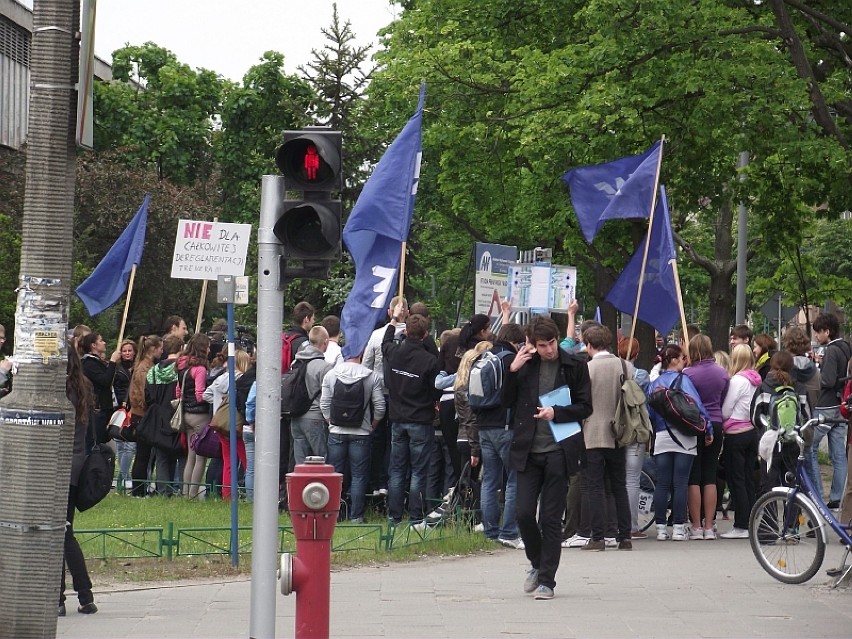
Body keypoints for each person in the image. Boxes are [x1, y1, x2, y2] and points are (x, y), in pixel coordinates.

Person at [502, 316, 592, 600]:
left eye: (552, 343)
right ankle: (536, 562)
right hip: (527, 450)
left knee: (551, 519)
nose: (549, 349)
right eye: (542, 345)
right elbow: (504, 402)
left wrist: (557, 413)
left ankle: (547, 581)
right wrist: (512, 370)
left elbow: (585, 406)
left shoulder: (574, 365)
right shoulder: (526, 365)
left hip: (559, 450)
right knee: (524, 514)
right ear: (533, 345)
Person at [468, 322, 526, 548]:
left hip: (483, 425)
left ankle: (490, 531)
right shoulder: (510, 359)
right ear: (516, 341)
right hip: (505, 425)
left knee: (490, 480)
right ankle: (509, 532)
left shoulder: (484, 356)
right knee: (514, 480)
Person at [382, 304, 441, 525]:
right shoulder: (429, 360)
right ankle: (416, 518)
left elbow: (385, 342)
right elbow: (436, 388)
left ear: (405, 332)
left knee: (396, 470)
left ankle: (394, 517)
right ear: (426, 335)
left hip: (398, 418)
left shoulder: (394, 352)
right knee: (418, 472)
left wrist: (395, 319)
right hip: (420, 419)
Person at [646, 344, 711, 541]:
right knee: (681, 483)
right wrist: (707, 428)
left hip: (662, 436)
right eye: (683, 357)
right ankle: (679, 528)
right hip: (685, 437)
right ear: (673, 360)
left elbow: (649, 412)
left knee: (662, 483)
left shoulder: (654, 384)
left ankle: (660, 528)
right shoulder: (684, 381)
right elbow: (697, 407)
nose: (686, 361)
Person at [581, 325, 634, 551]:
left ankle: (598, 537)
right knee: (619, 485)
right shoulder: (625, 366)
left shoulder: (587, 369)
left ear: (589, 345)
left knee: (594, 486)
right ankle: (625, 536)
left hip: (593, 432)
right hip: (619, 432)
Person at [320, 353, 386, 523]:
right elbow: (380, 407)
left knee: (335, 475)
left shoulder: (331, 374)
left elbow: (324, 404)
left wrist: (331, 422)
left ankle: (333, 514)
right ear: (362, 355)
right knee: (359, 476)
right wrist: (372, 426)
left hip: (336, 431)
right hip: (361, 432)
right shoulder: (372, 376)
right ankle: (356, 516)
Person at [59, 345, 98, 616]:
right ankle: (84, 596)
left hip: (57, 469)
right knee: (64, 531)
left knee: (59, 534)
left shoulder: (60, 389)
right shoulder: (82, 385)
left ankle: (58, 599)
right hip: (76, 467)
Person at [683, 334, 727, 540]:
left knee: (694, 475)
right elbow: (723, 397)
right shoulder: (722, 373)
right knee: (710, 474)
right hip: (717, 423)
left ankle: (696, 525)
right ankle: (710, 526)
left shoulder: (688, 374)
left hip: (694, 425)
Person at [363, 295, 408, 496]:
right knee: (395, 440)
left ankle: (377, 482)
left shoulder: (376, 335)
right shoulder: (413, 336)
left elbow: (367, 366)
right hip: (400, 396)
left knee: (378, 439)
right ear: (406, 312)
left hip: (378, 393)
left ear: (390, 313)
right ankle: (389, 483)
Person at [806, 313, 851, 508]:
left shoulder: (832, 350)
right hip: (840, 405)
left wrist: (816, 372)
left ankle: (816, 492)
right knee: (838, 454)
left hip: (825, 405)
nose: (816, 336)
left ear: (827, 331)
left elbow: (828, 380)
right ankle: (837, 497)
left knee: (810, 447)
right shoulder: (846, 347)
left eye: (818, 332)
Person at [719, 344, 761, 538]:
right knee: (748, 480)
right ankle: (751, 521)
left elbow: (727, 409)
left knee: (736, 480)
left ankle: (741, 525)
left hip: (736, 433)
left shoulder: (737, 380)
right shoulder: (755, 379)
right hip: (752, 431)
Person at [204, 349, 251, 499]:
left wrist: (219, 404)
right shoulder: (242, 379)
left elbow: (206, 395)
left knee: (228, 461)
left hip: (221, 424)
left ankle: (227, 494)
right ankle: (251, 493)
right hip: (236, 424)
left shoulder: (220, 379)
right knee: (246, 461)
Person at [618, 337, 651, 539]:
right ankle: (631, 525)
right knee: (632, 479)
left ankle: (614, 522)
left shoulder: (613, 371)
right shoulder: (642, 375)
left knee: (615, 478)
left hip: (616, 427)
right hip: (636, 428)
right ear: (637, 354)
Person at [290, 326, 334, 463]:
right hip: (315, 418)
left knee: (300, 462)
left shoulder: (295, 362)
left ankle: (302, 485)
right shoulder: (324, 367)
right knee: (322, 460)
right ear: (325, 341)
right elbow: (330, 395)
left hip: (295, 417)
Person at [177, 333, 212, 498]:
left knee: (190, 456)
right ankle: (193, 494)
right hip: (200, 415)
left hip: (186, 414)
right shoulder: (200, 369)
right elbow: (200, 394)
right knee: (200, 457)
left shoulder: (182, 367)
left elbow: (178, 391)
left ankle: (185, 493)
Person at [129, 335, 163, 496]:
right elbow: (143, 393)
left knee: (144, 454)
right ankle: (138, 491)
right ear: (153, 349)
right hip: (142, 415)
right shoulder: (144, 369)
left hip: (140, 414)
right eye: (160, 348)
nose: (162, 351)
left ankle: (140, 488)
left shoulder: (144, 366)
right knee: (143, 454)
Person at [79, 332, 121, 445]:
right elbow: (105, 381)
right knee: (95, 442)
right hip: (97, 409)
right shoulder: (89, 363)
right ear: (94, 345)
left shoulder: (99, 362)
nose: (104, 343)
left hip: (105, 408)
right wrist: (112, 361)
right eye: (101, 340)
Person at [113, 338, 137, 488]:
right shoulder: (117, 368)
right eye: (124, 351)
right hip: (120, 408)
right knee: (123, 445)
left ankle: (123, 476)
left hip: (132, 407)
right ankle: (124, 476)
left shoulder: (136, 367)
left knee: (128, 445)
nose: (127, 353)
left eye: (129, 350)